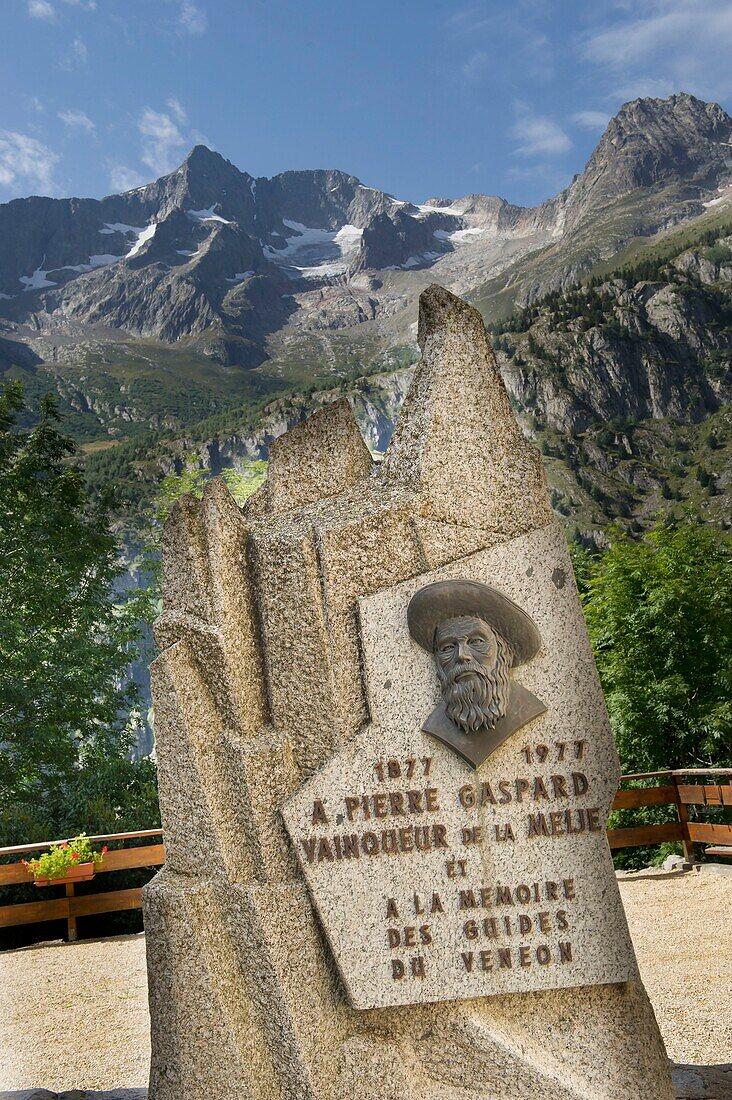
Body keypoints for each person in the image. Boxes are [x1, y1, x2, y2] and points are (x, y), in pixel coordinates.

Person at [407, 579, 547, 768]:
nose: (462, 656)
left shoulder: (527, 707)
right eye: (448, 647)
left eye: (476, 642)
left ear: (503, 652)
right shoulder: (436, 725)